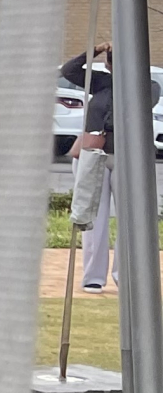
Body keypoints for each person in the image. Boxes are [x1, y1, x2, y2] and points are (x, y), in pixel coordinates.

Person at [62, 44, 118, 292]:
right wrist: (93, 50)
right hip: (93, 154)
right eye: (112, 61)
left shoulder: (147, 85)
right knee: (93, 215)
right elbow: (70, 70)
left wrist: (105, 124)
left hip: (126, 156)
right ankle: (93, 277)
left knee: (131, 219)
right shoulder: (101, 82)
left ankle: (125, 276)